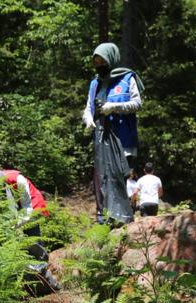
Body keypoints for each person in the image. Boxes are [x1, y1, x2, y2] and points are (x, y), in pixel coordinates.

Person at [82, 42, 144, 224]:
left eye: (103, 61)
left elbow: (137, 104)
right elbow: (88, 107)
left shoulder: (127, 78)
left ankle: (124, 219)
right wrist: (88, 119)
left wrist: (114, 107)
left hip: (123, 138)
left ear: (111, 59)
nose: (99, 65)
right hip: (102, 139)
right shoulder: (95, 83)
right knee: (102, 179)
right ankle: (105, 220)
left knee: (121, 178)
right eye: (97, 62)